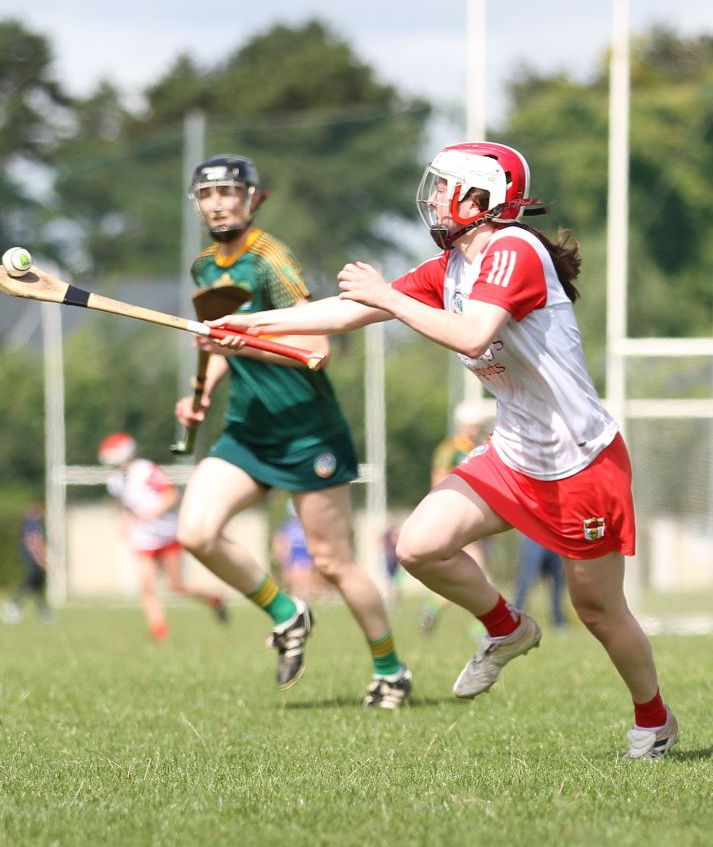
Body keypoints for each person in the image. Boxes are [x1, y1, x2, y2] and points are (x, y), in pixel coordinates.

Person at [211, 141, 678, 758]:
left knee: (597, 609)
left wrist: (388, 296)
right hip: (514, 453)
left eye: (442, 187)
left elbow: (472, 331)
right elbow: (346, 311)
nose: (431, 198)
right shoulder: (453, 264)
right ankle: (508, 629)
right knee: (419, 545)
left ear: (480, 199)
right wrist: (249, 325)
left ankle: (655, 720)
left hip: (581, 461)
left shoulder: (514, 250)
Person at [174, 154, 411, 709]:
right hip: (248, 432)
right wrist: (201, 393)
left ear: (253, 198)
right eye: (207, 195)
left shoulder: (269, 259)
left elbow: (316, 350)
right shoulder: (204, 268)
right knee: (196, 532)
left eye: (230, 192)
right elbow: (222, 348)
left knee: (332, 561)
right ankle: (288, 613)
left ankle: (390, 670)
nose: (218, 203)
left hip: (309, 435)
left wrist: (247, 341)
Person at [99, 432, 229, 642]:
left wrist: (153, 513)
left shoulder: (146, 470)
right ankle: (160, 633)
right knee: (146, 586)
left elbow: (171, 495)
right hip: (143, 538)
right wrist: (125, 522)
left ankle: (214, 598)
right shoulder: (114, 481)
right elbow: (123, 506)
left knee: (176, 587)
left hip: (167, 534)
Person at [419, 398, 491, 634]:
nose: (474, 429)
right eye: (471, 424)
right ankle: (484, 626)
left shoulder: (482, 446)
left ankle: (434, 608)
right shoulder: (450, 449)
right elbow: (438, 480)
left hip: (478, 516)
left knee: (473, 573)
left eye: (477, 424)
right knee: (477, 572)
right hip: (457, 516)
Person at [0, 501, 53, 624]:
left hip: (31, 557)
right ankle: (13, 604)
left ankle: (42, 609)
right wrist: (41, 557)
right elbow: (33, 542)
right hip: (32, 558)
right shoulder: (33, 523)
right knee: (31, 580)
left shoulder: (30, 522)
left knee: (37, 583)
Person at [513, 534, 568, 630]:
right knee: (526, 579)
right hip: (535, 537)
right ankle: (514, 618)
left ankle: (558, 620)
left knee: (558, 580)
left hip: (557, 538)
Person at [272, 500, 320, 602]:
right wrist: (280, 554)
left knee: (305, 582)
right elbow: (280, 539)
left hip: (305, 554)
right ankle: (299, 604)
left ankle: (304, 605)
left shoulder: (308, 524)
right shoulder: (286, 524)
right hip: (293, 555)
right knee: (292, 581)